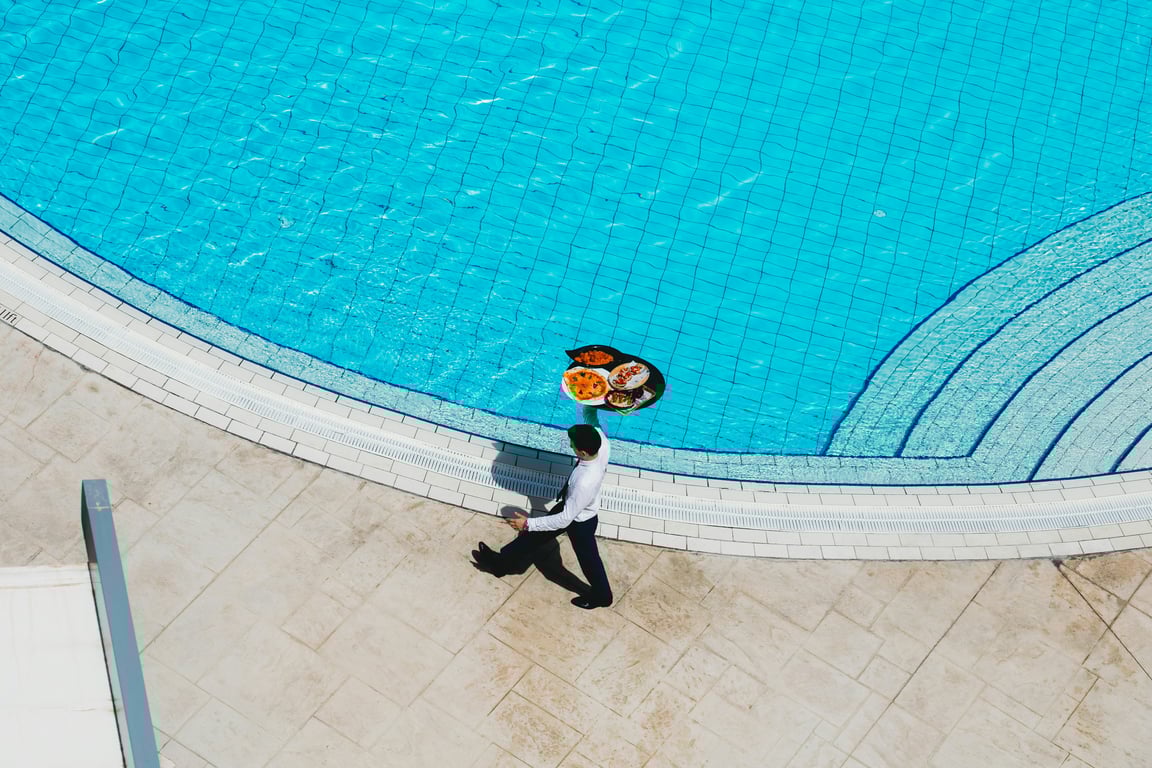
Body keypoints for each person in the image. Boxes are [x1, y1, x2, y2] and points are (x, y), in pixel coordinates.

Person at [473, 424, 613, 609]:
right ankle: (500, 564)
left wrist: (527, 523)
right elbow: (593, 423)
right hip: (573, 507)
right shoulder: (602, 445)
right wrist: (590, 408)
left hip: (580, 522)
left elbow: (564, 519)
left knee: (589, 559)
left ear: (583, 452)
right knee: (532, 538)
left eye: (572, 444)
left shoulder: (584, 482)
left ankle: (603, 596)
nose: (570, 445)